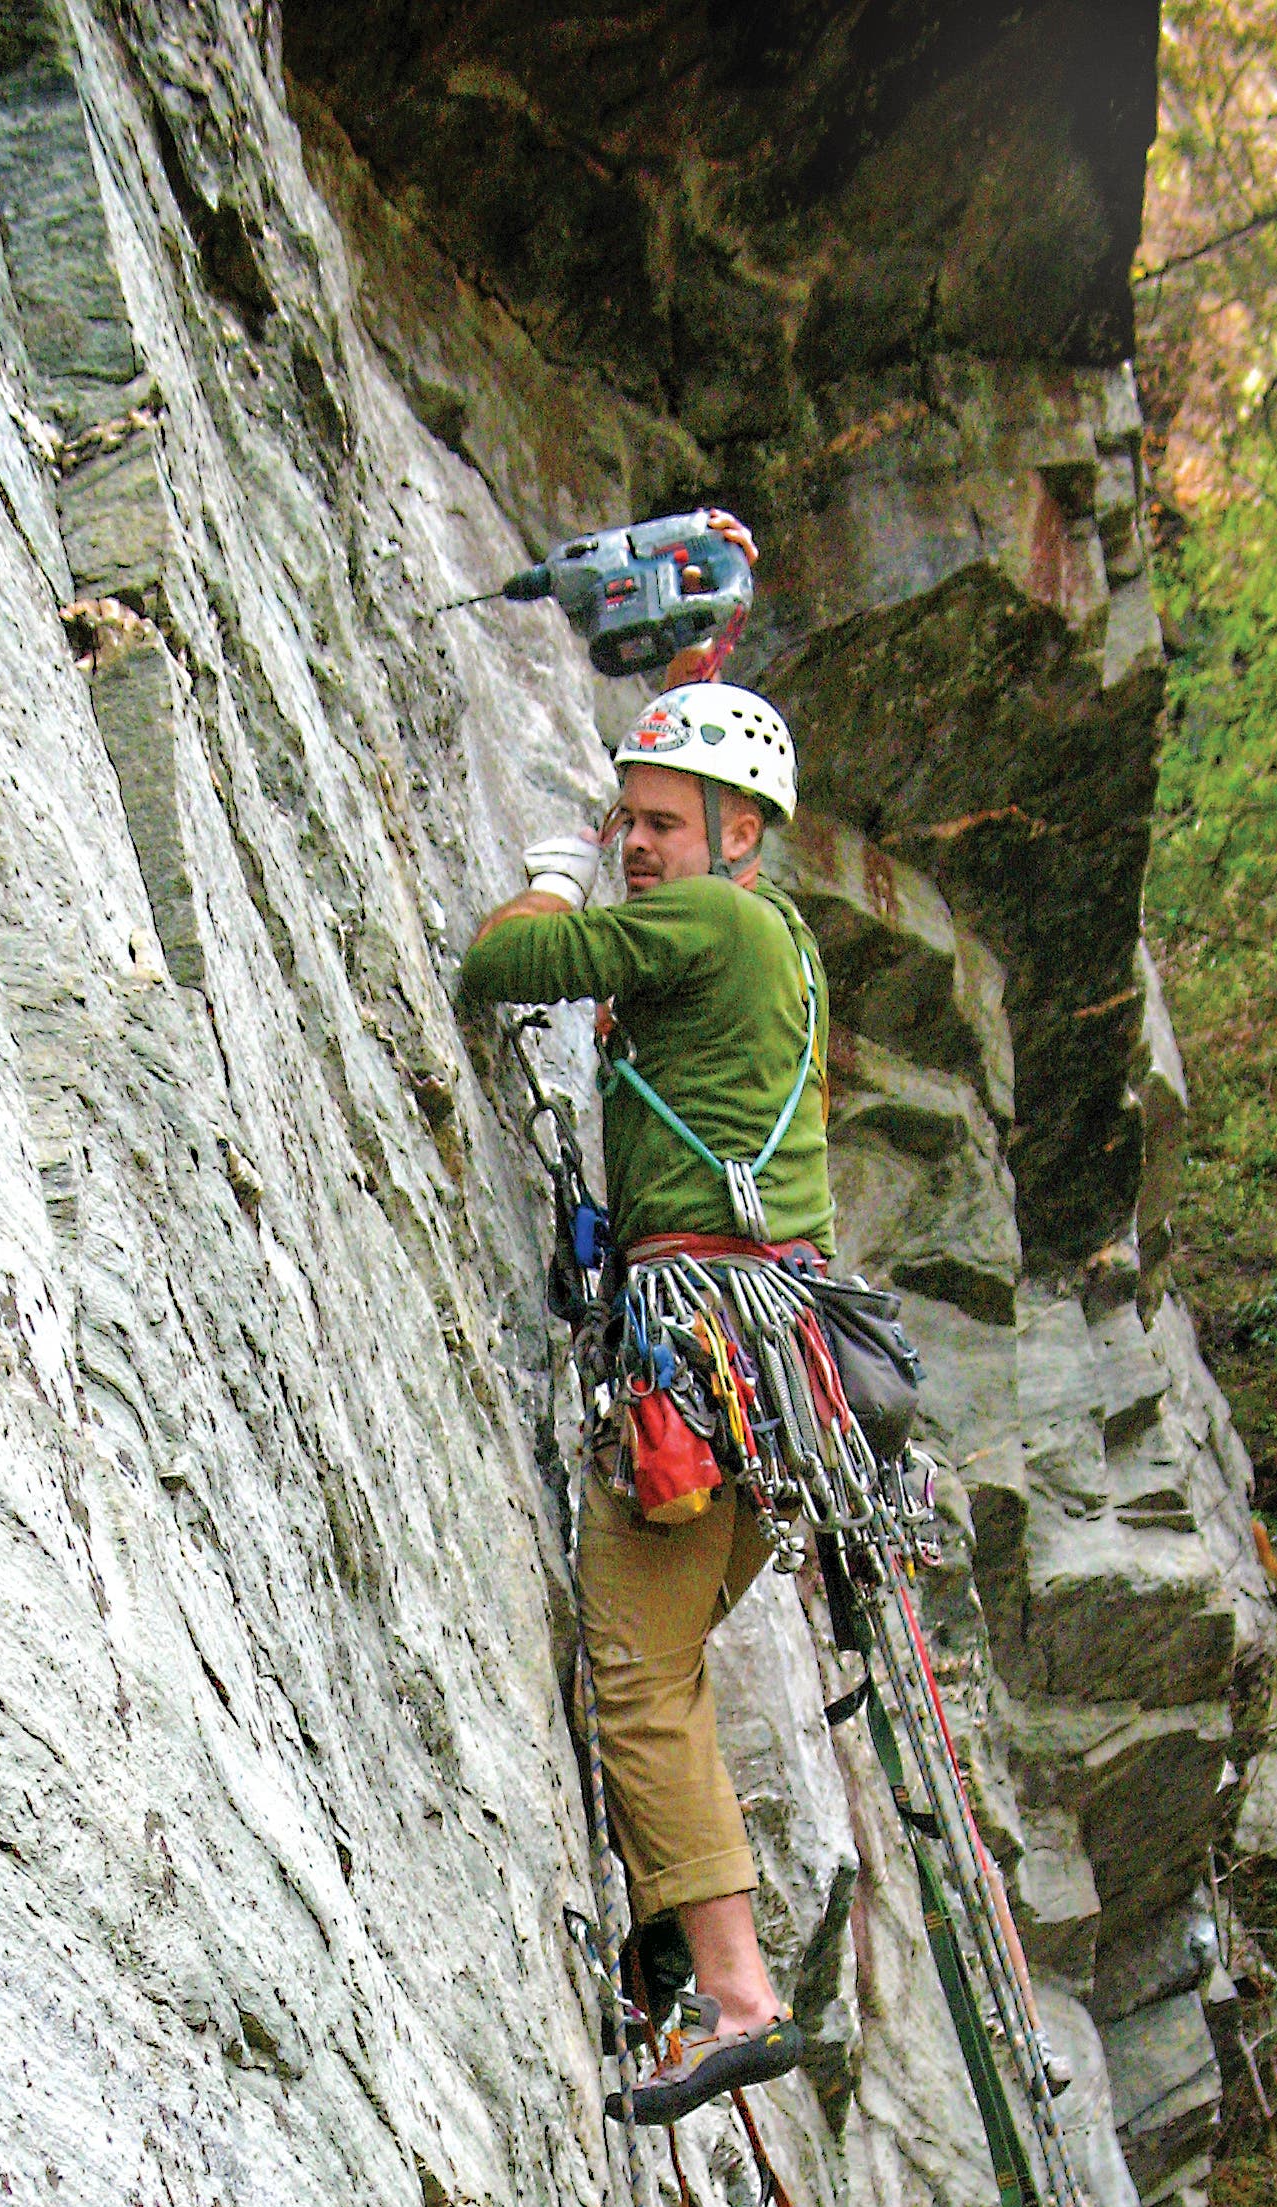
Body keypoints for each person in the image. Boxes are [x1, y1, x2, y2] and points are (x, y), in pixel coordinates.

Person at [457, 685, 828, 2127]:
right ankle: (683, 1951)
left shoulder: (724, 921)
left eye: (664, 822)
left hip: (706, 1349)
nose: (637, 845)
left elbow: (514, 965)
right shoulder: (776, 944)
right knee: (664, 1668)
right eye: (628, 821)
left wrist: (548, 874)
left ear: (742, 832)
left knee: (633, 1671)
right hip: (776, 1367)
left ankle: (737, 1996)